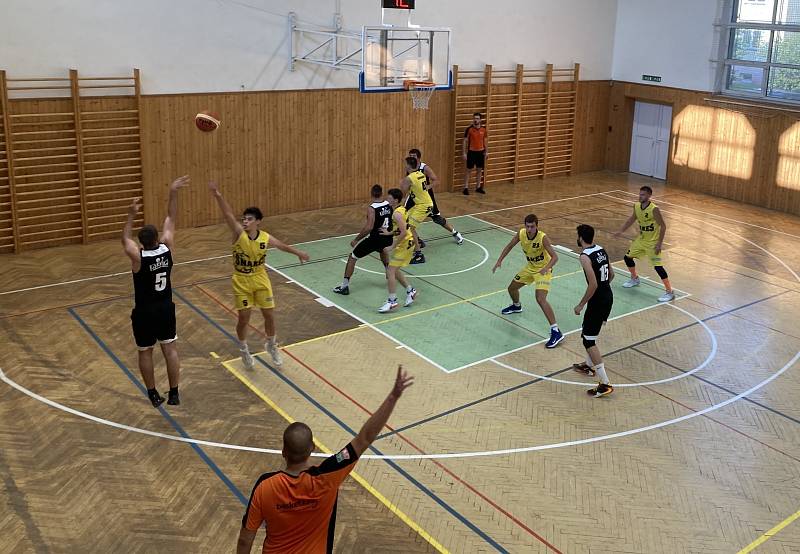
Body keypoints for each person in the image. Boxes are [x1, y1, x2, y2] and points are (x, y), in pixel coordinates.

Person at [236, 365, 414, 554]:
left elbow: (245, 540)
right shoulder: (328, 475)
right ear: (312, 448)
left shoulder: (265, 487)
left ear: (283, 451)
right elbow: (364, 438)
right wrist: (393, 396)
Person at [208, 181, 310, 369]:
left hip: (260, 278)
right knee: (244, 319)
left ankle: (271, 345)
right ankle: (244, 349)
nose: (245, 221)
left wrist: (299, 253)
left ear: (257, 221)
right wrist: (218, 195)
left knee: (269, 315)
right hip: (241, 280)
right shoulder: (239, 233)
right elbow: (228, 215)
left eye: (248, 219)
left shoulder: (265, 237)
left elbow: (281, 245)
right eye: (244, 219)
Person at [121, 175, 190, 407]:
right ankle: (174, 393)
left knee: (145, 352)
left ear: (141, 243)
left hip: (144, 312)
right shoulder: (167, 247)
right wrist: (173, 191)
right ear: (157, 239)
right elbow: (171, 217)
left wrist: (131, 214)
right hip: (164, 308)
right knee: (170, 349)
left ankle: (152, 393)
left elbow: (124, 239)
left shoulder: (138, 257)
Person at [492, 214, 564, 348]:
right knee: (511, 288)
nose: (529, 229)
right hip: (530, 268)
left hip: (543, 270)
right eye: (527, 226)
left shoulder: (542, 238)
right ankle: (516, 306)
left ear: (537, 226)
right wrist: (499, 260)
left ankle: (556, 331)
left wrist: (546, 268)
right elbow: (509, 246)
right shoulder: (521, 234)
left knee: (540, 299)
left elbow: (555, 257)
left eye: (532, 226)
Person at [572, 224, 615, 398]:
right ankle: (588, 366)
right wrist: (603, 294)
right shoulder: (601, 250)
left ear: (581, 237)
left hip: (597, 301)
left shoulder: (584, 256)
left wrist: (581, 304)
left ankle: (605, 383)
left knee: (588, 341)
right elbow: (611, 274)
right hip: (607, 297)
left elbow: (593, 284)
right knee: (589, 334)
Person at [615, 185, 675, 302]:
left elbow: (663, 226)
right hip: (641, 240)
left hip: (652, 243)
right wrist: (621, 231)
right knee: (627, 258)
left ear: (649, 196)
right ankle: (635, 278)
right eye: (639, 194)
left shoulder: (654, 209)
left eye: (643, 195)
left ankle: (670, 292)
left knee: (658, 267)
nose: (640, 196)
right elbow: (631, 219)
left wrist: (659, 244)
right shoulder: (637, 206)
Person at [333, 184, 393, 295]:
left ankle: (344, 286)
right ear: (381, 193)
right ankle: (389, 274)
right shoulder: (389, 205)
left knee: (353, 257)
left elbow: (369, 227)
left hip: (375, 239)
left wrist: (356, 239)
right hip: (388, 237)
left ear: (371, 194)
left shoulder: (372, 208)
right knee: (382, 250)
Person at [406, 148, 463, 249]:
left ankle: (455, 233)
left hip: (426, 197)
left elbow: (436, 180)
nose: (411, 158)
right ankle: (417, 240)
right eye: (410, 156)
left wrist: (427, 187)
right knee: (404, 216)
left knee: (437, 219)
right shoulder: (409, 167)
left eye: (413, 156)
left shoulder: (425, 168)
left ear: (419, 158)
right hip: (414, 197)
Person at [378, 188, 418, 313]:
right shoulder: (400, 209)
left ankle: (392, 301)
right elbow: (402, 228)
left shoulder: (396, 213)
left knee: (390, 270)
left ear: (395, 200)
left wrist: (392, 246)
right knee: (394, 270)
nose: (387, 200)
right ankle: (410, 291)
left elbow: (404, 232)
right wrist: (389, 232)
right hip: (406, 243)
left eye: (389, 198)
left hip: (404, 244)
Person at [399, 156, 433, 265]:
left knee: (410, 227)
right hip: (422, 203)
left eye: (405, 164)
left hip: (423, 205)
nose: (404, 166)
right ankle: (412, 245)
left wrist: (402, 185)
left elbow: (403, 194)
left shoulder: (409, 178)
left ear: (408, 166)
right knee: (405, 222)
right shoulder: (420, 174)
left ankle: (419, 254)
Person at [462, 112, 488, 195]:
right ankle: (465, 187)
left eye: (477, 118)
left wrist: (486, 151)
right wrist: (464, 153)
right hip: (471, 152)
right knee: (469, 170)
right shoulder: (469, 129)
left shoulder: (483, 129)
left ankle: (478, 187)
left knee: (479, 169)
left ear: (480, 120)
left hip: (480, 152)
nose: (475, 120)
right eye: (474, 118)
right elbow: (465, 141)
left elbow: (485, 141)